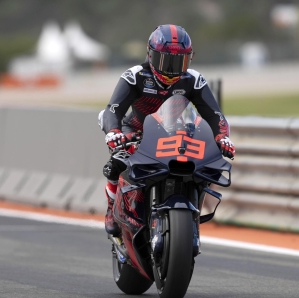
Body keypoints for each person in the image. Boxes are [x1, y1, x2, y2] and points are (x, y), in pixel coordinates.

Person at [98, 24, 235, 236]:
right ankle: (111, 209)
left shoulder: (194, 80)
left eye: (179, 61)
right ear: (151, 55)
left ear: (189, 59)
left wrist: (222, 137)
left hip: (175, 133)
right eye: (166, 61)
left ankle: (191, 213)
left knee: (204, 167)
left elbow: (214, 115)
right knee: (115, 164)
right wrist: (114, 132)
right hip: (135, 133)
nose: (171, 69)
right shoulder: (134, 76)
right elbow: (112, 110)